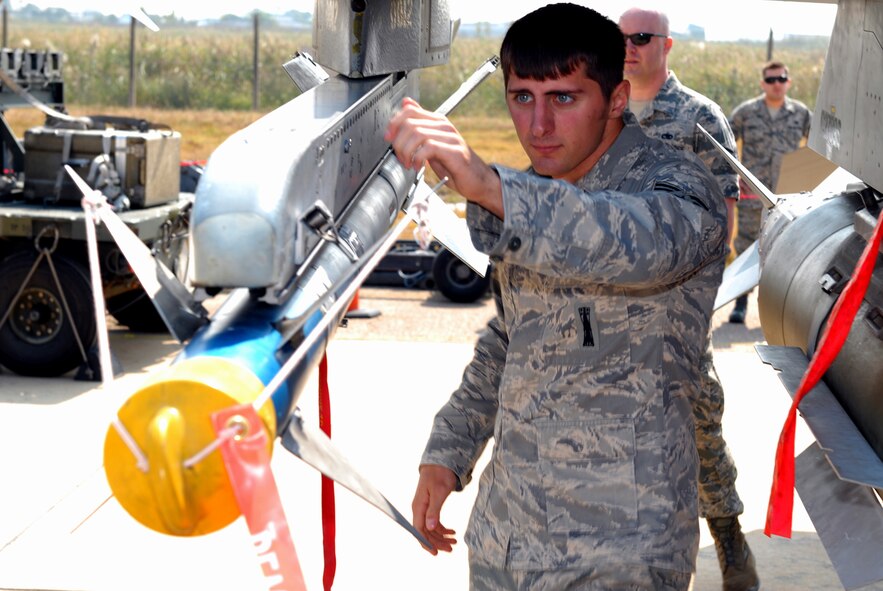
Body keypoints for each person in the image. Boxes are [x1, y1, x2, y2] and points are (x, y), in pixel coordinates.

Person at [385, 4, 727, 589]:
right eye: (522, 97)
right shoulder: (539, 190)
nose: (538, 125)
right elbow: (512, 339)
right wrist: (449, 449)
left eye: (563, 98)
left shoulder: (677, 189)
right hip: (509, 535)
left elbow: (637, 242)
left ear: (616, 99)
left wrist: (492, 188)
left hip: (620, 546)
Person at [619, 8, 760, 591]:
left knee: (698, 421)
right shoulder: (601, 108)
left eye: (641, 38)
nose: (629, 47)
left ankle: (727, 536)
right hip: (610, 302)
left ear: (667, 45)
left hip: (677, 303)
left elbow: (724, 215)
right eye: (620, 38)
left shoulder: (701, 118)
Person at [727, 61, 812, 324]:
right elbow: (726, 142)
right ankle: (741, 303)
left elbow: (819, 147)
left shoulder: (801, 113)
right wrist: (733, 175)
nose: (777, 84)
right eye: (771, 79)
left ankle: (781, 309)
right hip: (754, 194)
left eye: (781, 78)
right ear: (763, 83)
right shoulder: (746, 112)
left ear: (789, 82)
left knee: (789, 250)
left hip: (788, 197)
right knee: (746, 246)